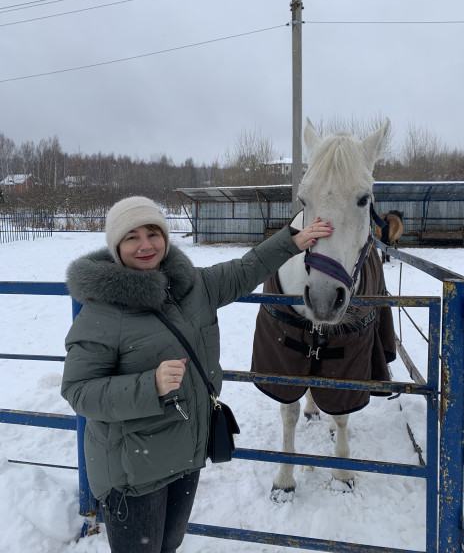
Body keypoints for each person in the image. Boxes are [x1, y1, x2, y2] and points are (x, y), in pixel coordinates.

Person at [61, 196, 334, 553]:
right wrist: (149, 386)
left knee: (170, 545)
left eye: (153, 233)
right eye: (132, 237)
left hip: (186, 457)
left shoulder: (191, 287)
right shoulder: (102, 312)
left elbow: (244, 269)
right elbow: (79, 390)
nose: (146, 245)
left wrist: (291, 240)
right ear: (116, 245)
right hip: (133, 474)